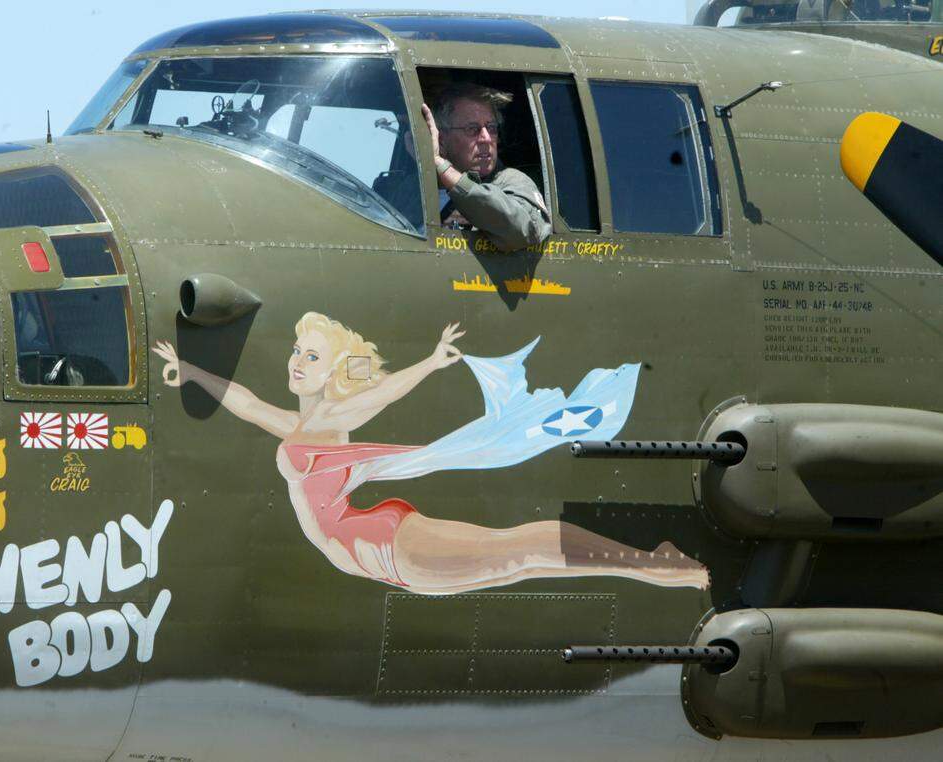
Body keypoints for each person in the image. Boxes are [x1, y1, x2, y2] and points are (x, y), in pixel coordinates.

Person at [153, 314, 709, 594]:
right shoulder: (302, 427)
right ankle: (656, 567)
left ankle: (658, 567)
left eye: (312, 355)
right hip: (367, 555)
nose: (297, 361)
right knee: (515, 565)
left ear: (333, 372)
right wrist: (193, 373)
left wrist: (431, 362)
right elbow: (249, 404)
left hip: (380, 544)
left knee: (521, 552)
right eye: (297, 350)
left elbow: (381, 393)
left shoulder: (333, 419)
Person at [421, 82, 552, 251]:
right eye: (472, 129)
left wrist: (441, 166)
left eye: (491, 128)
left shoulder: (511, 181)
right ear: (442, 139)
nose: (486, 138)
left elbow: (525, 229)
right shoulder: (412, 190)